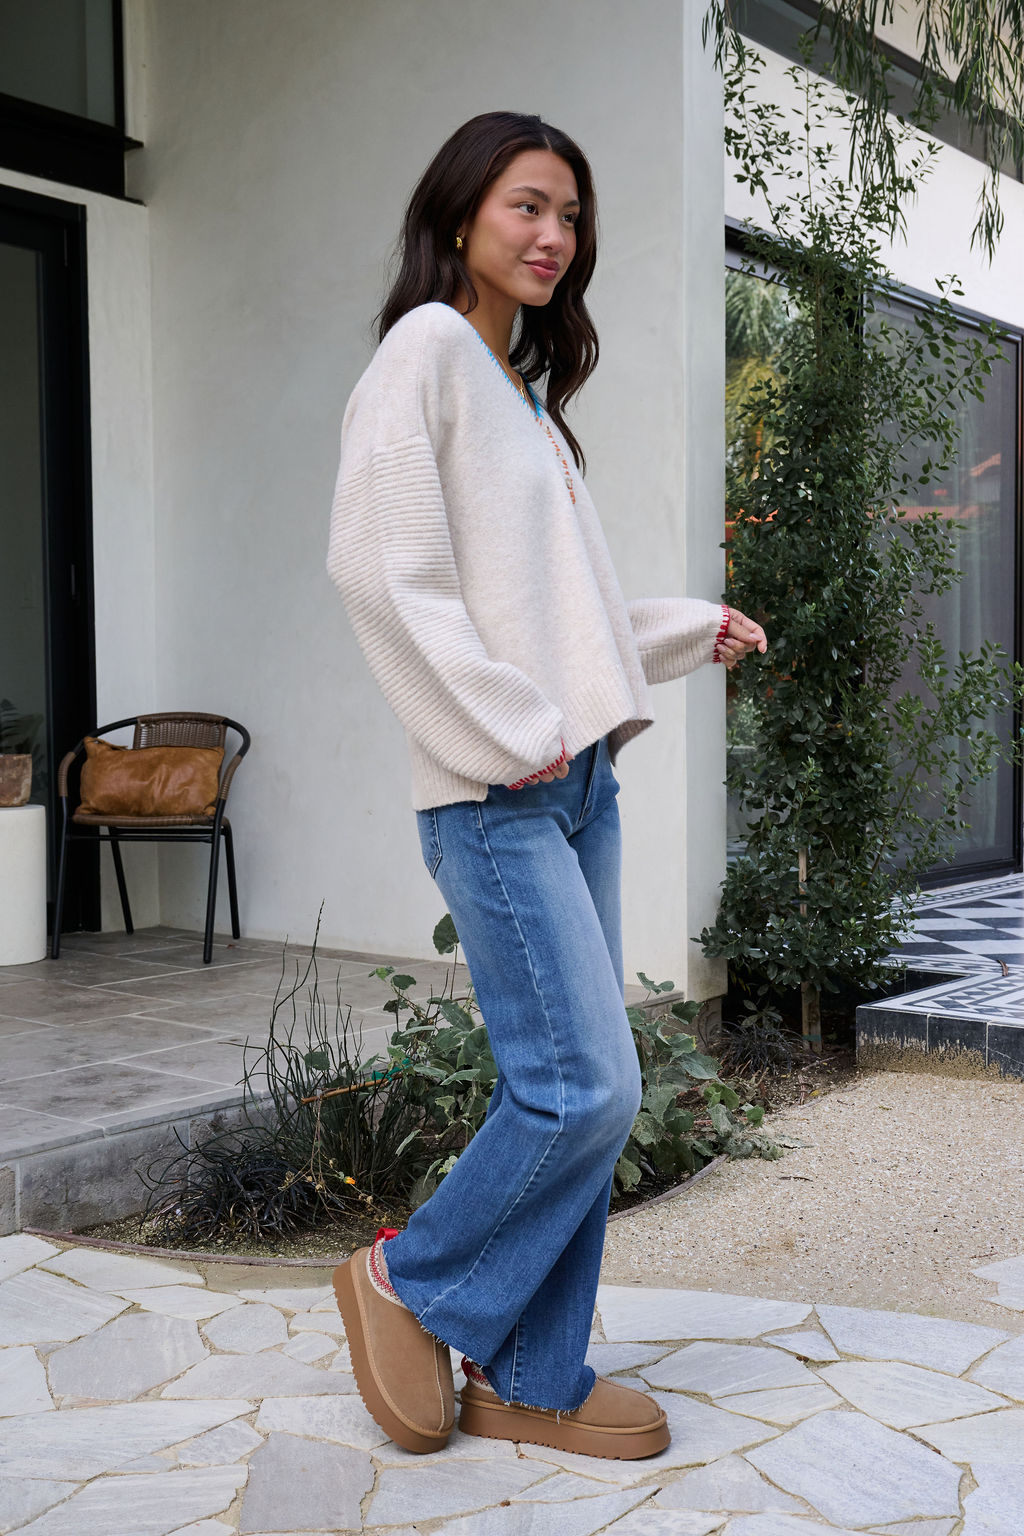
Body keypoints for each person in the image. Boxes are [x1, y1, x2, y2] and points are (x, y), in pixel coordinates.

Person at [327, 110, 766, 1461]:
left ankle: (533, 1373)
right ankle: (413, 1278)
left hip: (574, 790)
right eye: (527, 206)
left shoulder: (520, 396)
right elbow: (383, 577)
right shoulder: (425, 356)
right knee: (586, 1088)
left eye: (569, 218)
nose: (552, 237)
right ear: (459, 211)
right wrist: (513, 729)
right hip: (495, 792)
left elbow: (559, 623)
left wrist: (692, 629)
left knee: (585, 1081)